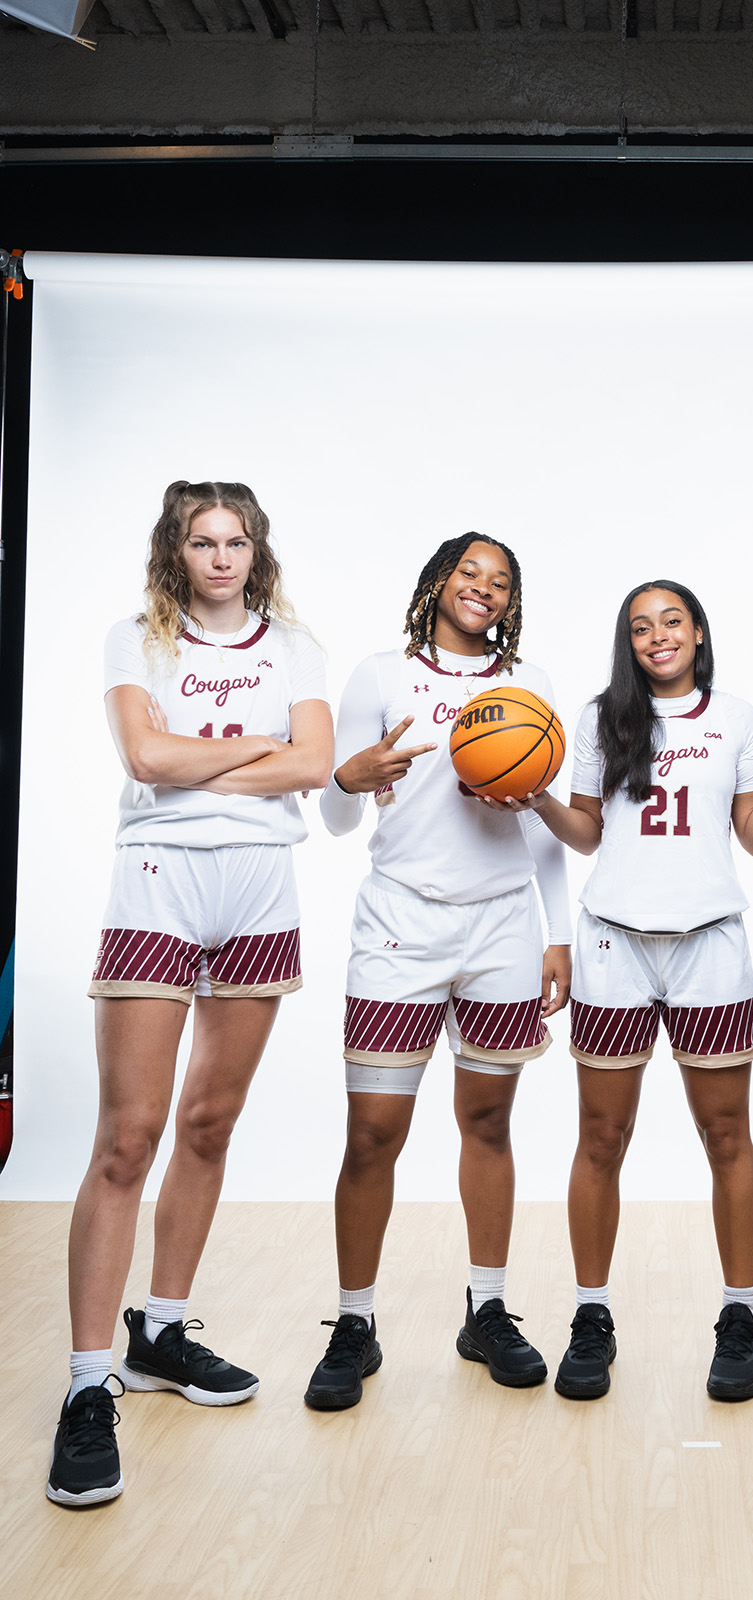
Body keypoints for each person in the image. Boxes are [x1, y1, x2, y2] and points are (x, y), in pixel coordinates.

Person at [48, 481, 333, 1507]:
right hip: (161, 877)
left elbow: (316, 764)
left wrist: (208, 760)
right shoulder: (139, 638)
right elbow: (144, 755)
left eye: (236, 540)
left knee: (209, 1124)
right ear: (176, 549)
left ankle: (161, 1331)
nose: (220, 556)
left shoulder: (293, 647)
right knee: (130, 1137)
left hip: (261, 887)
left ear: (257, 551)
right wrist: (264, 752)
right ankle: (88, 1385)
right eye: (201, 540)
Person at [523, 580, 753, 1402]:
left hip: (709, 940)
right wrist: (532, 793)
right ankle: (591, 1316)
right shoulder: (606, 716)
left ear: (699, 632)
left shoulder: (736, 717)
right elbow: (588, 830)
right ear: (628, 643)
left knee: (726, 1136)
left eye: (671, 621)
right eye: (641, 627)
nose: (657, 636)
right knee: (601, 1139)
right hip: (614, 943)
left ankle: (739, 1316)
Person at [303, 534, 570, 1410]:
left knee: (488, 1123)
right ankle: (353, 1323)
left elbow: (540, 830)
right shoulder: (381, 676)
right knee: (373, 1133)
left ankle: (486, 1311)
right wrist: (352, 775)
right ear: (438, 582)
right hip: (399, 925)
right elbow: (340, 817)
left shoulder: (525, 690)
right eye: (470, 574)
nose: (483, 590)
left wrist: (556, 935)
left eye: (501, 582)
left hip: (501, 927)